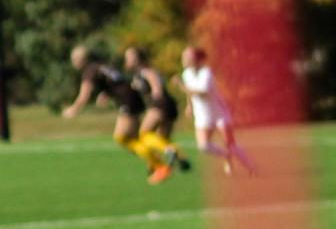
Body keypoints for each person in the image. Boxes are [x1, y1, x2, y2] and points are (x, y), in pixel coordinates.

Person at [63, 46, 178, 184]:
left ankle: (159, 164)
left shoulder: (90, 71)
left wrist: (74, 109)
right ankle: (156, 162)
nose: (73, 63)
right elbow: (118, 82)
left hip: (127, 101)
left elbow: (85, 94)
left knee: (121, 137)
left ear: (79, 60)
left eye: (74, 60)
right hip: (132, 97)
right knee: (134, 137)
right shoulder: (102, 66)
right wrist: (106, 94)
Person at [178, 46, 253, 175]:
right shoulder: (186, 74)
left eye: (187, 56)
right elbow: (190, 92)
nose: (183, 59)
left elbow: (202, 93)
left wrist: (181, 86)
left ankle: (252, 169)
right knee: (204, 147)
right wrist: (189, 105)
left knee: (231, 145)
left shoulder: (206, 73)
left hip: (219, 113)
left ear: (197, 59)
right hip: (202, 114)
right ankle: (226, 156)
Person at [124, 46, 190, 172]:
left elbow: (156, 87)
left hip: (160, 105)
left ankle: (171, 152)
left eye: (129, 57)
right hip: (169, 106)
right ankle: (175, 162)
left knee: (144, 134)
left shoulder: (146, 71)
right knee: (162, 139)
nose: (126, 59)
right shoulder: (137, 75)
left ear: (138, 59)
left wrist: (155, 97)